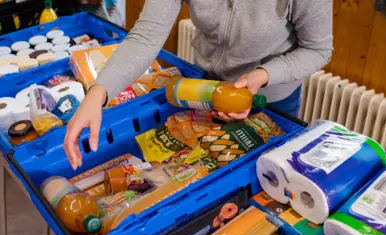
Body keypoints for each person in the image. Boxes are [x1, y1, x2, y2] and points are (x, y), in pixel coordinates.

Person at [64, 0, 333, 170]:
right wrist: (97, 94)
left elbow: (318, 50)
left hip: (273, 98)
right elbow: (146, 37)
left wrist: (263, 75)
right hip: (207, 87)